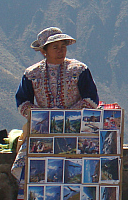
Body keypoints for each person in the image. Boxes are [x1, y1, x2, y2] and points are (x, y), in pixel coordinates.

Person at [11, 27, 99, 181]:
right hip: (44, 130)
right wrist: (43, 117)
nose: (61, 51)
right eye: (55, 47)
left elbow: (91, 100)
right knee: (38, 173)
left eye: (63, 46)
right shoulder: (32, 74)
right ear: (44, 51)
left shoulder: (79, 70)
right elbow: (23, 103)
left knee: (76, 174)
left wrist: (67, 116)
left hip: (76, 129)